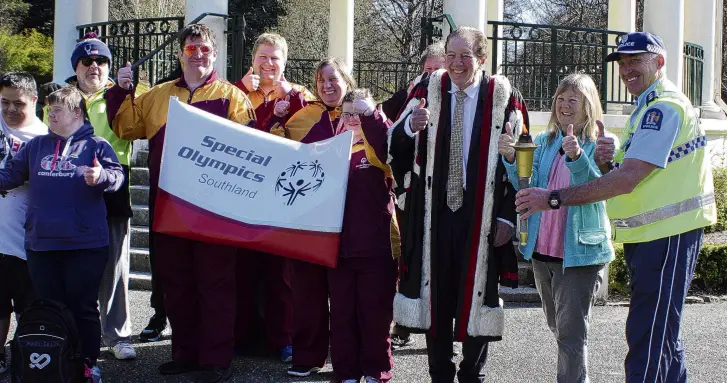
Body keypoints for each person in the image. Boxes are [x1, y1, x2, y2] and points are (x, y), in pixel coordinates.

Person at [514, 32, 718, 383]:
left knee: (647, 341)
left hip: (667, 238)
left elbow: (627, 181)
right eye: (622, 64)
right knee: (662, 337)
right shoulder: (646, 108)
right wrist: (609, 164)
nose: (627, 70)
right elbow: (622, 176)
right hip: (653, 239)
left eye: (635, 61)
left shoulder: (662, 108)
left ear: (660, 62)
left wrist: (554, 198)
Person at [107, 23, 255, 383]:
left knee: (215, 284)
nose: (199, 55)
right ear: (180, 53)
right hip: (168, 207)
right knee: (177, 283)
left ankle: (216, 358)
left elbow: (249, 149)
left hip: (215, 210)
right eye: (191, 49)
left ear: (215, 53)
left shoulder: (232, 96)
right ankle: (185, 353)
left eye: (205, 49)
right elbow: (125, 127)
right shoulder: (157, 95)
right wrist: (120, 89)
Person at [387, 26, 526, 383]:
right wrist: (408, 130)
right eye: (452, 55)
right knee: (436, 295)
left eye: (466, 56)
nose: (457, 63)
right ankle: (440, 374)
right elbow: (391, 144)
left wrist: (508, 218)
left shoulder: (503, 96)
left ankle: (472, 374)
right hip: (433, 213)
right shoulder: (427, 88)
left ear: (482, 59)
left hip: (481, 211)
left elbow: (524, 159)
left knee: (478, 291)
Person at [0, 86, 124, 383]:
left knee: (82, 307)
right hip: (42, 245)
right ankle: (56, 365)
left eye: (56, 111)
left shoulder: (97, 146)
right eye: (48, 109)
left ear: (76, 113)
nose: (49, 115)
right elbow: (11, 176)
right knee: (50, 307)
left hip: (85, 245)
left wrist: (102, 177)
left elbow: (117, 177)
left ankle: (88, 365)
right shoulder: (36, 146)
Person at [499, 73, 615, 382]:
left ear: (588, 106)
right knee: (557, 324)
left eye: (573, 100)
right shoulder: (543, 141)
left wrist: (577, 156)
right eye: (560, 99)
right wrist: (511, 157)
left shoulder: (599, 143)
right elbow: (526, 186)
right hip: (542, 250)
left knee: (571, 332)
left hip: (581, 255)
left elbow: (594, 188)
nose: (564, 105)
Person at [264, 57, 356, 377]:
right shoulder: (302, 117)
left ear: (346, 80)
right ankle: (307, 356)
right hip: (308, 219)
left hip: (351, 219)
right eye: (320, 81)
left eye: (333, 79)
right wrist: (274, 121)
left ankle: (347, 360)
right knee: (307, 293)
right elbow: (275, 153)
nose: (327, 85)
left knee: (345, 295)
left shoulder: (362, 114)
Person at [231, 32, 313, 363]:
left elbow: (311, 135)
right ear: (252, 59)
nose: (268, 64)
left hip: (281, 197)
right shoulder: (235, 92)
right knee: (242, 271)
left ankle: (284, 338)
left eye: (275, 58)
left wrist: (288, 103)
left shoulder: (300, 95)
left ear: (285, 62)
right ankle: (242, 336)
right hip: (242, 194)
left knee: (281, 274)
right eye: (263, 57)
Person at [65, 31, 139, 360]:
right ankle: (71, 332)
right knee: (73, 268)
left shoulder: (124, 94)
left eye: (101, 61)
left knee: (115, 269)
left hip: (113, 186)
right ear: (76, 67)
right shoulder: (61, 97)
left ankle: (118, 335)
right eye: (86, 61)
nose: (94, 66)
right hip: (71, 190)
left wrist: (128, 89)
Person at [327, 88, 398, 383]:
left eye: (358, 112)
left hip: (376, 247)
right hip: (338, 248)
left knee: (375, 315)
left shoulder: (382, 144)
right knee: (342, 315)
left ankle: (376, 369)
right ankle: (345, 371)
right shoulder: (332, 149)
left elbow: (387, 151)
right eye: (347, 113)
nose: (352, 118)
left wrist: (371, 117)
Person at [383, 41, 446, 351]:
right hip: (413, 194)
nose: (433, 76)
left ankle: (445, 329)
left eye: (439, 69)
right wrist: (408, 126)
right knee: (409, 261)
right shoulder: (407, 97)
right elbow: (387, 136)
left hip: (449, 197)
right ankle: (404, 325)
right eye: (429, 70)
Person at [0, 72, 48, 374]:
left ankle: (26, 363)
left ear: (34, 100)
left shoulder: (45, 137)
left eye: (18, 104)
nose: (10, 110)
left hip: (28, 242)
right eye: (4, 102)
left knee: (29, 310)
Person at [380, 41, 445, 123]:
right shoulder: (410, 91)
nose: (432, 73)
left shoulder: (452, 94)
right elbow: (382, 112)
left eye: (437, 69)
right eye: (428, 68)